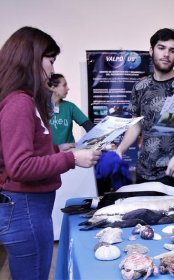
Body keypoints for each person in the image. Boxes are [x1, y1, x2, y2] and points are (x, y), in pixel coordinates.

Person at [0, 26, 101, 280]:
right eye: (51, 60)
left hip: (28, 209)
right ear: (32, 59)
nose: (52, 70)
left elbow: (23, 151)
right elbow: (20, 166)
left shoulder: (23, 101)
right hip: (25, 210)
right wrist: (72, 158)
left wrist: (57, 149)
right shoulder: (20, 102)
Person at [115, 28, 174, 190]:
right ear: (151, 50)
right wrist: (120, 149)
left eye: (172, 50)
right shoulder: (140, 87)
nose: (166, 54)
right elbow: (136, 124)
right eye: (161, 48)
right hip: (145, 172)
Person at [48, 73, 94, 145]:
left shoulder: (70, 107)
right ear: (53, 88)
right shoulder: (40, 107)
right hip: (47, 154)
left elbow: (89, 127)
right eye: (64, 85)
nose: (68, 88)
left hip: (68, 153)